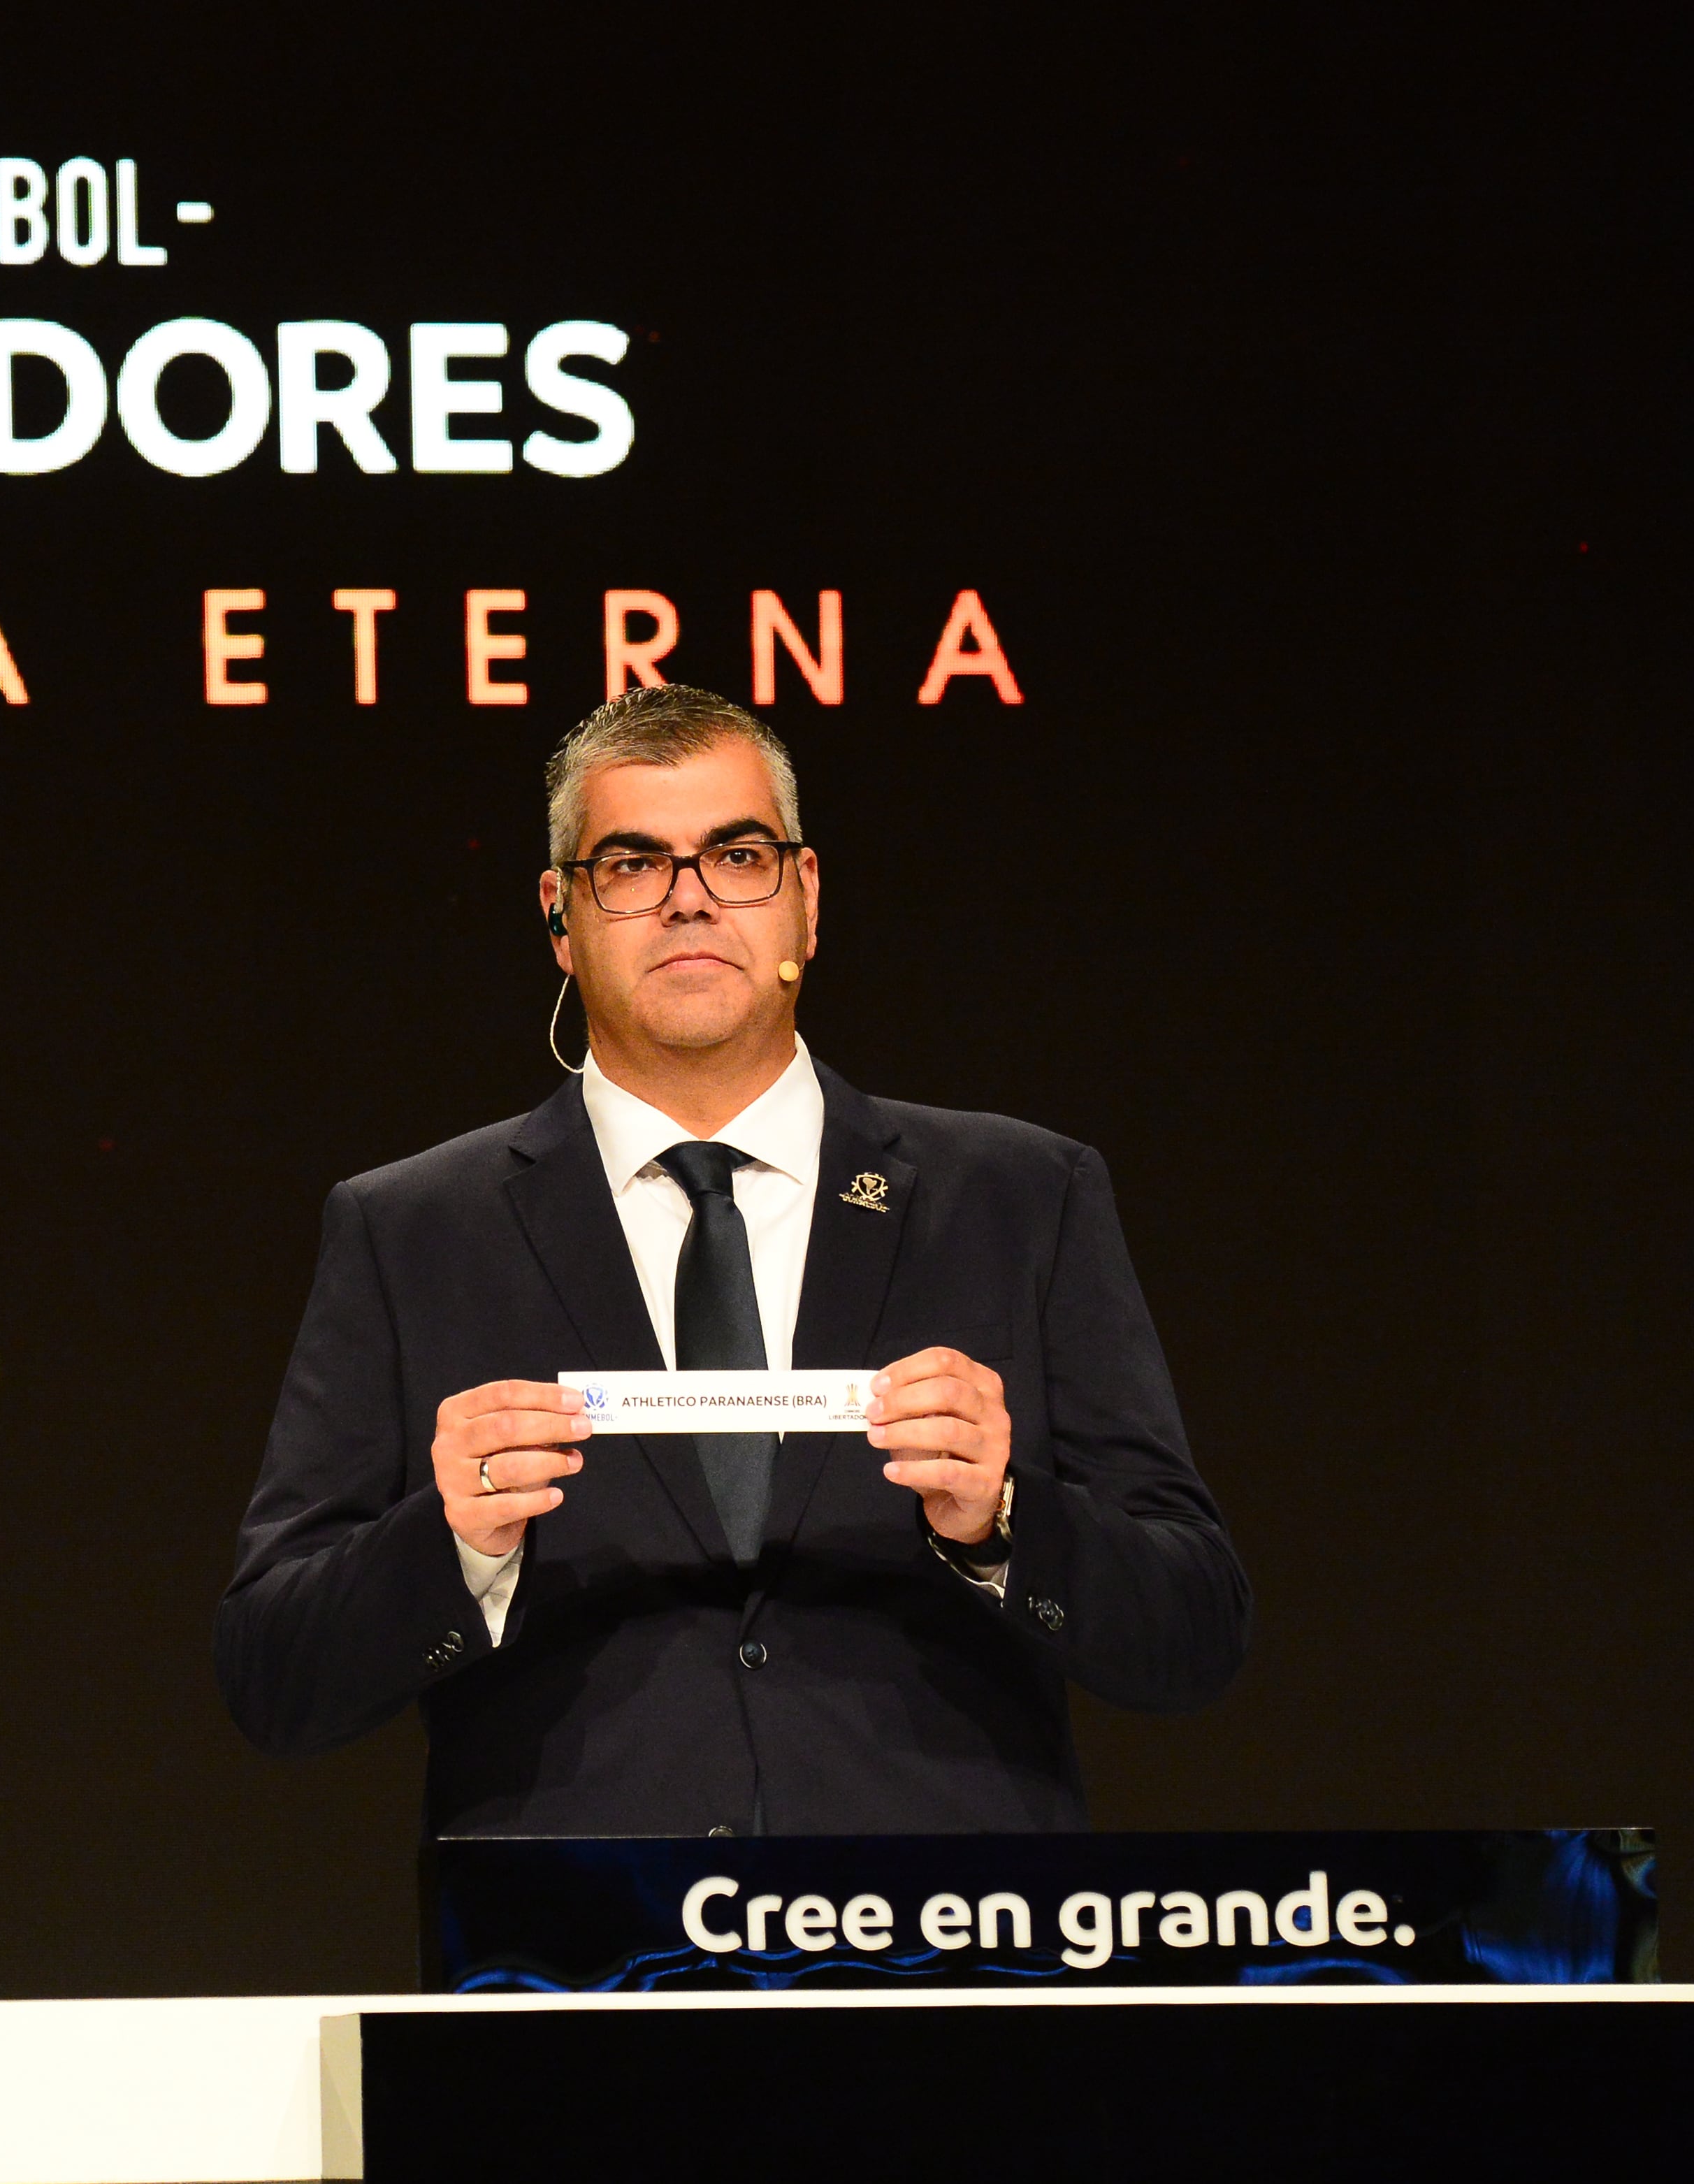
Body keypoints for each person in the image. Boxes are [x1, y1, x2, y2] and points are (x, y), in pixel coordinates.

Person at [215, 688, 1247, 1837]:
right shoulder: (412, 1229)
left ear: (806, 899)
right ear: (561, 916)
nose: (690, 897)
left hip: (947, 1965)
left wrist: (1004, 1520)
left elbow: (1194, 1632)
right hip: (574, 1976)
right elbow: (274, 1676)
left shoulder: (1019, 1197)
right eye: (632, 863)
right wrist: (452, 1541)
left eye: (738, 854)